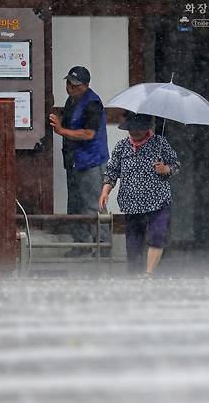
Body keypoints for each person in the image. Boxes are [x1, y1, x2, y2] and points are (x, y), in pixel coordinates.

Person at [99, 113, 180, 278]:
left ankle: (148, 273)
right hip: (131, 203)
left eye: (138, 129)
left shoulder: (160, 143)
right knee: (134, 244)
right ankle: (134, 275)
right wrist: (105, 191)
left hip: (158, 200)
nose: (134, 133)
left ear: (147, 128)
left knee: (157, 234)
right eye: (131, 129)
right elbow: (112, 172)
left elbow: (175, 165)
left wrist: (165, 169)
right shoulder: (122, 146)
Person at [49, 66, 111, 257]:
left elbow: (88, 133)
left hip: (91, 160)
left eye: (75, 84)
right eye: (68, 82)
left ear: (85, 85)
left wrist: (61, 131)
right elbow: (69, 123)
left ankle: (104, 246)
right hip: (74, 160)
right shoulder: (71, 100)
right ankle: (81, 244)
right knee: (75, 205)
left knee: (93, 204)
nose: (70, 87)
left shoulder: (93, 103)